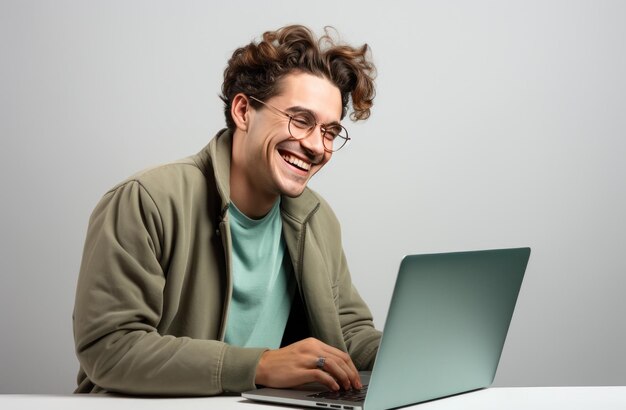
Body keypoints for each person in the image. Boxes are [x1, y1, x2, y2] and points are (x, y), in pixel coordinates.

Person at [73, 24, 381, 396]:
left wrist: (420, 351)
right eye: (301, 120)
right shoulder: (146, 200)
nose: (317, 146)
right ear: (243, 111)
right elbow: (110, 348)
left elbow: (348, 333)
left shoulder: (317, 219)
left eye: (330, 132)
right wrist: (260, 365)